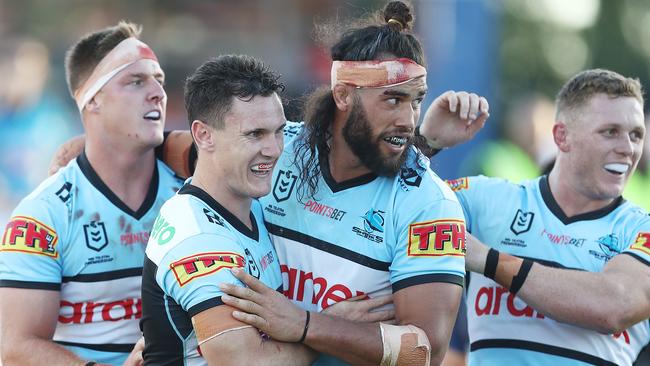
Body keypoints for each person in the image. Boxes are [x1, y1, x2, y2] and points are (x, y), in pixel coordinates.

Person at [433, 69, 650, 365]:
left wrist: (487, 260)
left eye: (636, 135)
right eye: (610, 132)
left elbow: (616, 306)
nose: (628, 148)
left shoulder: (640, 228)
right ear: (562, 137)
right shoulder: (486, 198)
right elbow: (395, 209)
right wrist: (426, 143)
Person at [0, 22, 185, 365]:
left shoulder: (191, 194)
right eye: (136, 81)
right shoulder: (43, 215)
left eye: (158, 80)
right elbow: (15, 348)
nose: (158, 92)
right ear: (94, 98)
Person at [140, 54, 320, 365]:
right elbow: (246, 362)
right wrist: (326, 329)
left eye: (278, 131)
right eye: (255, 135)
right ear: (204, 135)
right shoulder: (195, 236)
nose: (275, 149)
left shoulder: (251, 201)